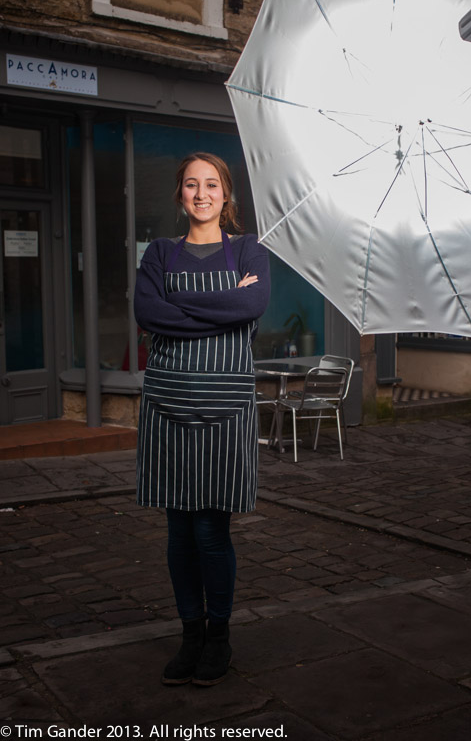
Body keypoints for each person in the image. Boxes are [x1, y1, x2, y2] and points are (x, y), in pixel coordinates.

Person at [134, 151, 270, 687]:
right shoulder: (160, 253)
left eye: (211, 184)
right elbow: (148, 314)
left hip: (225, 410)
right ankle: (189, 634)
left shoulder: (248, 250)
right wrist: (219, 308)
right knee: (178, 533)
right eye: (191, 185)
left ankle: (218, 637)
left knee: (211, 532)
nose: (201, 193)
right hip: (168, 404)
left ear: (226, 194)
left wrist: (180, 309)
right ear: (180, 195)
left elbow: (251, 307)